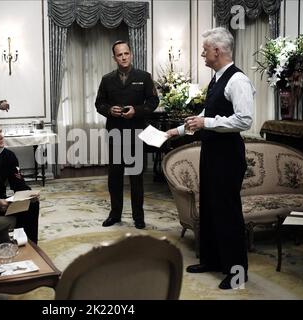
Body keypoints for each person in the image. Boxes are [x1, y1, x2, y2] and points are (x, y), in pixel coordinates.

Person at [166, 27, 255, 290]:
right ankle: (214, 260)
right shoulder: (217, 79)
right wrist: (178, 131)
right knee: (211, 208)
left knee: (228, 213)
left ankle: (237, 272)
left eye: (205, 49)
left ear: (217, 50)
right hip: (212, 153)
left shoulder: (238, 80)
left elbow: (244, 120)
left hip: (228, 156)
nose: (203, 53)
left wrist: (207, 122)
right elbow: (205, 116)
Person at [95, 40, 159, 229]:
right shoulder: (107, 79)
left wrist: (136, 111)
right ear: (114, 57)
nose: (123, 57)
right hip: (115, 134)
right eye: (119, 55)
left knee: (136, 177)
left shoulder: (144, 77)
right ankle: (115, 215)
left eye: (126, 54)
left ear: (131, 54)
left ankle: (139, 217)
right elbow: (99, 104)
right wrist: (109, 110)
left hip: (136, 134)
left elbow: (153, 101)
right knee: (114, 178)